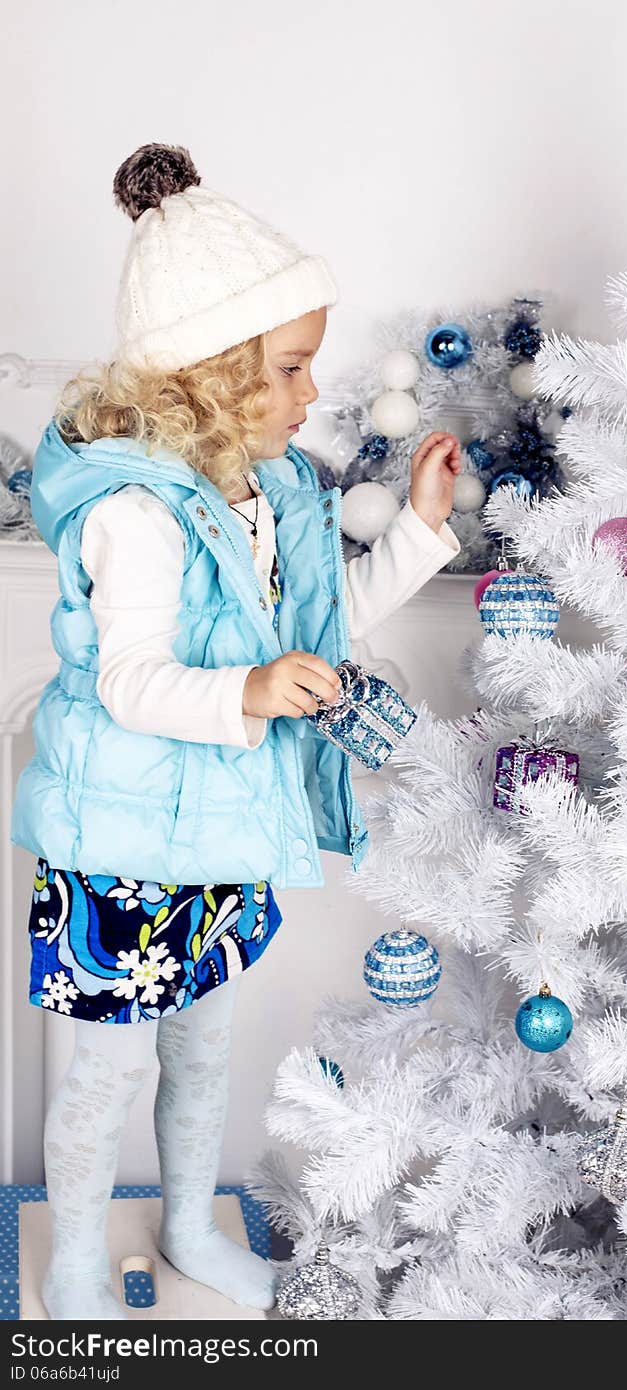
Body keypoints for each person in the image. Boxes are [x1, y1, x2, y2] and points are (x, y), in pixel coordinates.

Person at [11, 143, 462, 1320]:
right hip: (123, 842)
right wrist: (251, 694)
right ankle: (68, 1265)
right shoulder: (133, 512)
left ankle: (195, 1224)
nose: (315, 395)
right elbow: (132, 682)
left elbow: (320, 628)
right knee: (103, 1070)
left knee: (204, 1048)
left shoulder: (278, 492)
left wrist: (414, 534)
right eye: (293, 368)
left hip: (216, 831)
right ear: (212, 375)